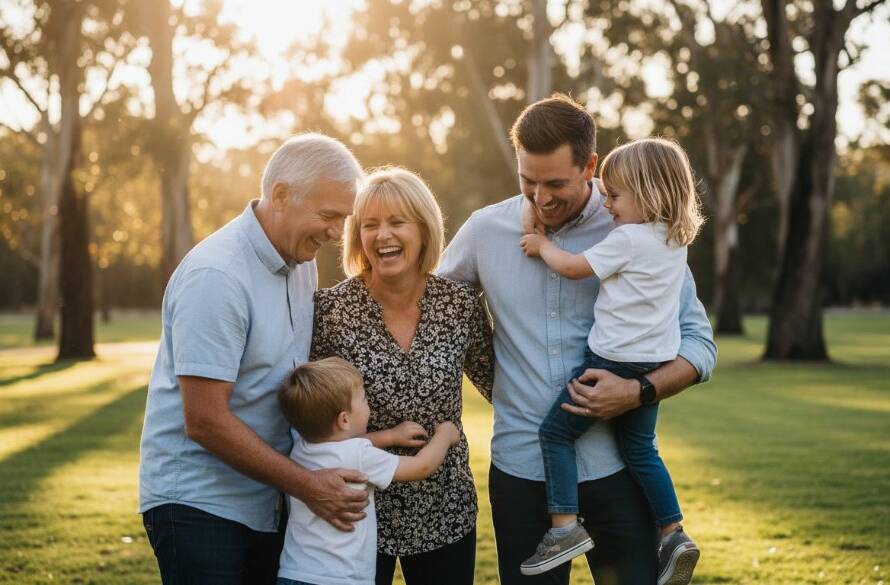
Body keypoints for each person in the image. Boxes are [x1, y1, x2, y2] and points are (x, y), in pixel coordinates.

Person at [438, 94, 717, 585]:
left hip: (615, 470)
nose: (540, 198)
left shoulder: (640, 230)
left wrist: (637, 391)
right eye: (528, 182)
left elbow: (699, 344)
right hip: (521, 471)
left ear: (590, 166)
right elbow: (433, 310)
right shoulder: (486, 230)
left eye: (556, 184)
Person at [138, 134, 368, 585]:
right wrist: (306, 485)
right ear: (280, 195)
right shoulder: (217, 276)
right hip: (199, 506)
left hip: (268, 500)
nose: (337, 232)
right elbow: (204, 420)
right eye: (328, 215)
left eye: (344, 218)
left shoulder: (302, 264)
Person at [516, 138, 704, 585]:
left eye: (615, 196)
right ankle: (673, 531)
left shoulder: (629, 239)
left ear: (650, 192)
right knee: (641, 448)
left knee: (555, 434)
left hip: (611, 363)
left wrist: (541, 244)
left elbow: (574, 267)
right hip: (651, 366)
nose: (607, 203)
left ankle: (564, 527)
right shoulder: (673, 242)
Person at [310, 167, 494, 585]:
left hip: (443, 509)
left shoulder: (459, 304)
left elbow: (500, 384)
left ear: (424, 229)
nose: (382, 235)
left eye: (397, 222)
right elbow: (310, 421)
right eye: (369, 225)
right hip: (354, 509)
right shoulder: (331, 311)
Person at [276, 357, 461, 585]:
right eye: (363, 399)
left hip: (294, 572)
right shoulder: (359, 456)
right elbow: (420, 467)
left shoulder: (300, 450)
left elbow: (346, 445)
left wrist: (390, 436)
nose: (368, 403)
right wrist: (444, 435)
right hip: (343, 579)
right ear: (344, 419)